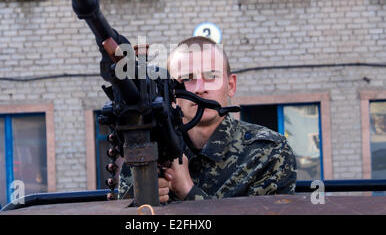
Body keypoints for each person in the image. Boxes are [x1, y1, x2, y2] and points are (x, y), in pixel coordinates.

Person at [117, 36, 297, 202]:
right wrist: (141, 197)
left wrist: (188, 191)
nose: (200, 89)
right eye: (187, 78)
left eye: (211, 76)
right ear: (170, 92)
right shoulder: (148, 149)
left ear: (231, 85)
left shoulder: (268, 152)